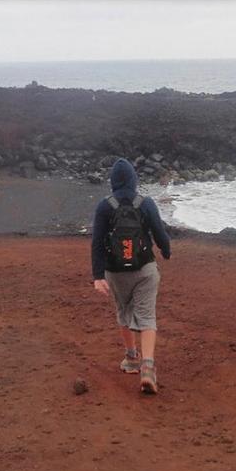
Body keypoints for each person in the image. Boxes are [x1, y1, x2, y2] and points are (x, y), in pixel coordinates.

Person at [90, 158, 171, 394]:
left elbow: (96, 242)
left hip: (115, 272)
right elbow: (159, 232)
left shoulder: (105, 206)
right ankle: (148, 368)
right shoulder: (145, 203)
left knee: (124, 310)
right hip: (144, 269)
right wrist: (166, 251)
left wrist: (98, 276)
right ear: (135, 180)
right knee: (146, 317)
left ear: (112, 182)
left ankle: (131, 358)